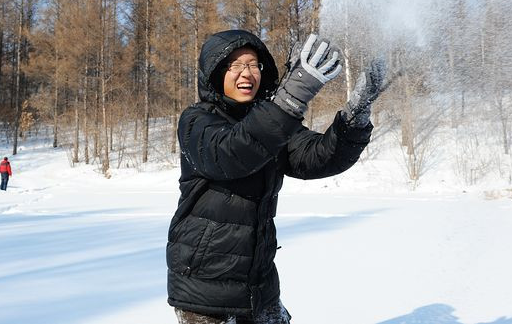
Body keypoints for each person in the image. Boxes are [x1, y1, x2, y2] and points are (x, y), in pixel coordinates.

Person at [166, 30, 387, 324]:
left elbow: (317, 157)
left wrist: (355, 118)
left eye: (254, 64)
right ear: (217, 72)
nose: (247, 73)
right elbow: (233, 153)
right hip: (207, 289)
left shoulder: (272, 123)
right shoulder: (197, 121)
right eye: (235, 65)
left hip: (260, 283)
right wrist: (293, 94)